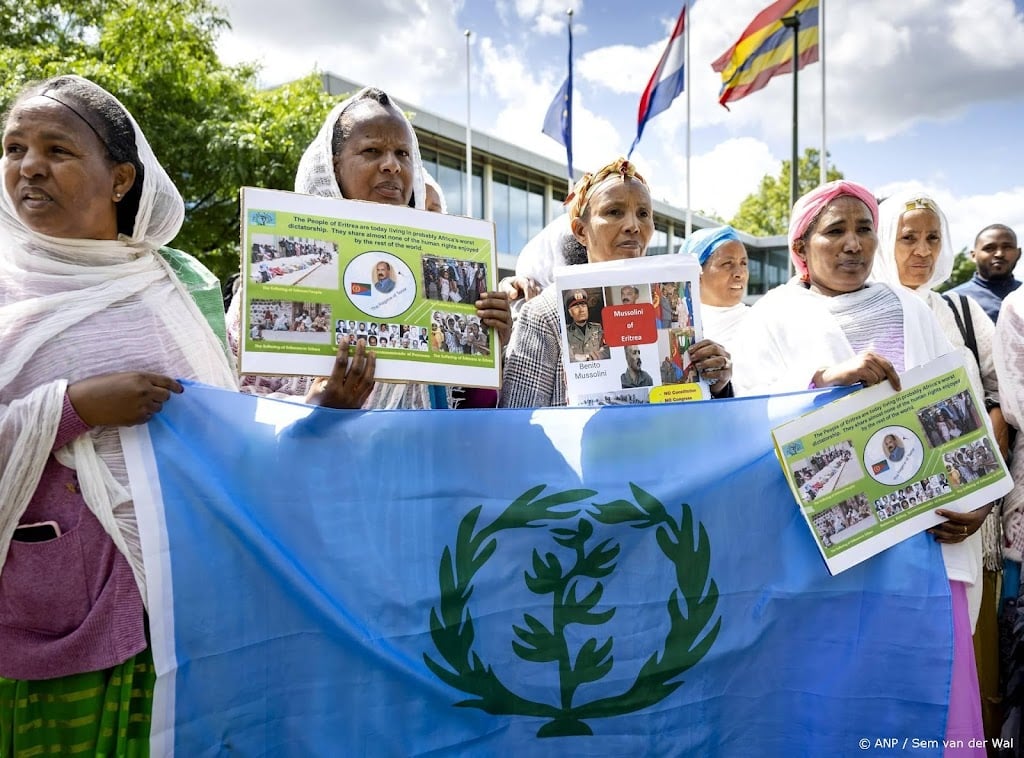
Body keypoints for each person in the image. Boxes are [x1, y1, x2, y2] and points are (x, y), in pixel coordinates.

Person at [0, 75, 238, 755]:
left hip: (178, 600)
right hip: (52, 611)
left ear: (120, 179)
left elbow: (227, 423)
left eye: (57, 149)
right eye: (15, 148)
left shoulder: (172, 283)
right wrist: (71, 409)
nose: (29, 167)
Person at [733, 179, 984, 748]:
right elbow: (746, 408)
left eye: (864, 228)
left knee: (923, 689)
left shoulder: (909, 308)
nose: (853, 243)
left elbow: (955, 404)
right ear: (801, 247)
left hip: (921, 542)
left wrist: (977, 504)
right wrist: (821, 379)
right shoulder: (773, 316)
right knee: (832, 694)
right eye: (835, 230)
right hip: (820, 548)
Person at [229, 86, 511, 408]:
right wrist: (313, 408)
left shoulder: (437, 267)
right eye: (372, 151)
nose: (392, 165)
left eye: (403, 154)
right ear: (334, 167)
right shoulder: (267, 280)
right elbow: (232, 399)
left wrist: (487, 340)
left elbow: (463, 410)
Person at [872, 191, 1007, 736]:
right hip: (890, 521)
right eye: (908, 237)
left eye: (933, 238)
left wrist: (980, 497)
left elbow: (998, 401)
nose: (922, 251)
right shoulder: (864, 309)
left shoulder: (962, 311)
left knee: (956, 655)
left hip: (961, 516)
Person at [500, 158, 732, 408]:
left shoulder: (674, 303)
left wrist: (718, 384)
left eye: (643, 214)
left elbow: (699, 415)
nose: (633, 226)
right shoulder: (544, 313)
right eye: (614, 212)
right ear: (580, 231)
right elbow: (520, 419)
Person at [681, 225, 750, 351]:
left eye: (743, 263)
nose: (740, 273)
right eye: (727, 264)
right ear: (697, 275)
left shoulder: (761, 323)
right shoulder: (678, 326)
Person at [950, 224, 1021, 322]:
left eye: (1007, 247)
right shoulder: (953, 300)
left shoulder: (1021, 293)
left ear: (1018, 253)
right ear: (974, 256)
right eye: (989, 248)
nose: (999, 254)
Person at [564, 289, 610, 362]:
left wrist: (586, 357)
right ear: (570, 312)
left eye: (583, 305)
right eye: (576, 307)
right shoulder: (565, 333)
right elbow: (565, 357)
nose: (581, 310)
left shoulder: (598, 328)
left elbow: (608, 351)